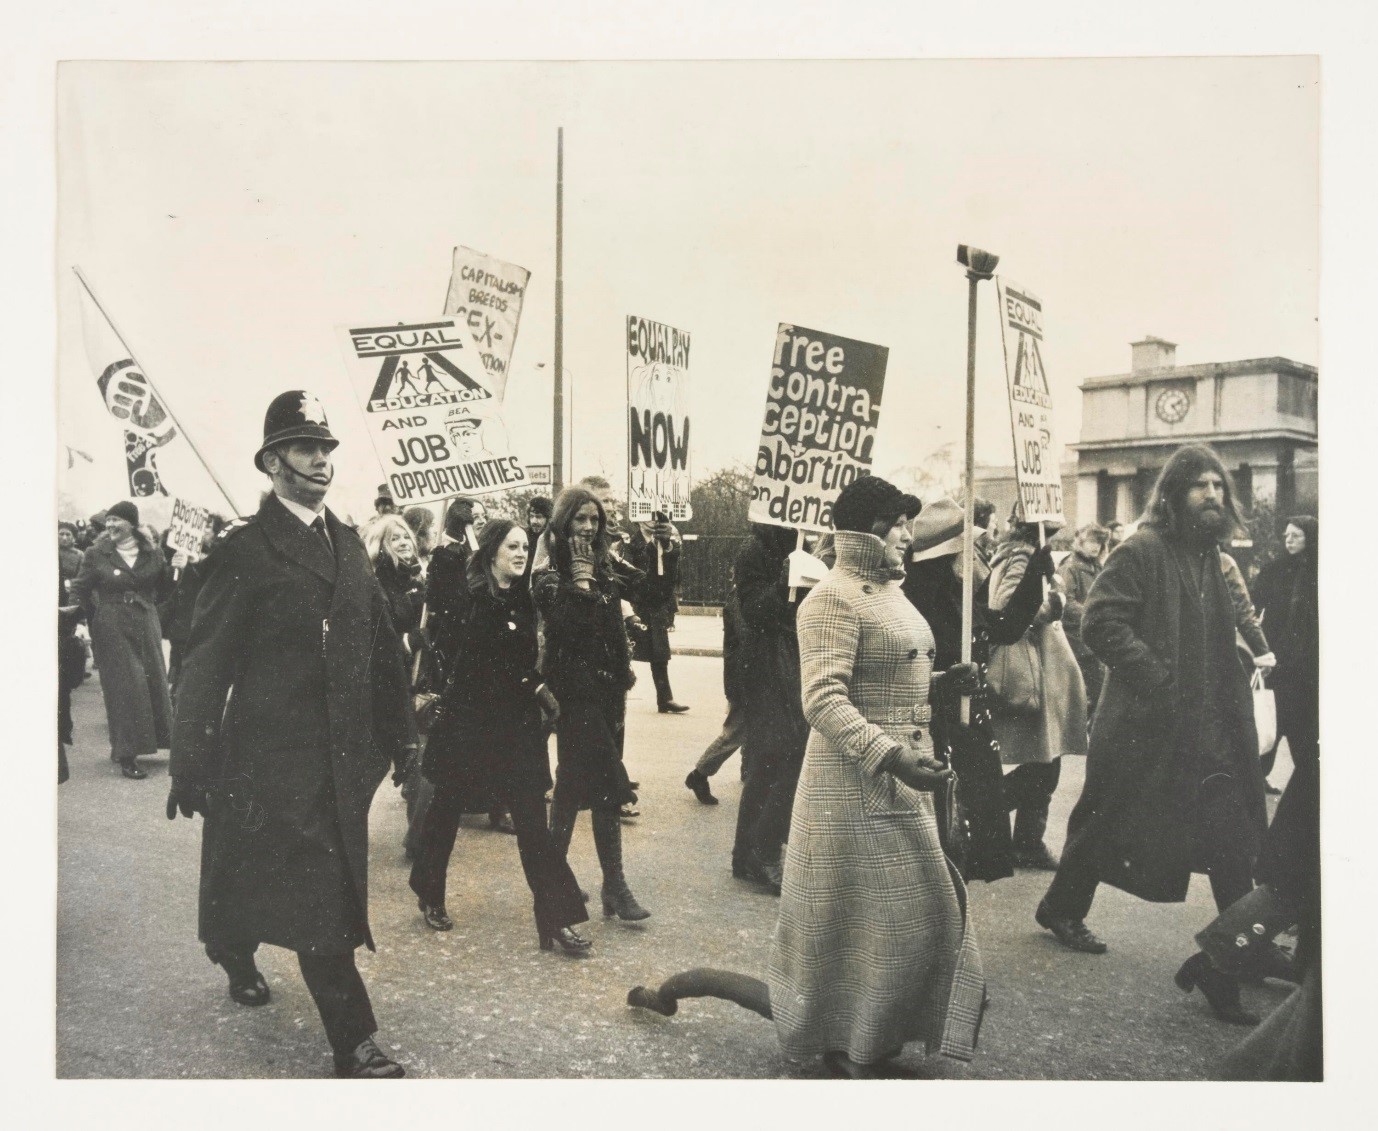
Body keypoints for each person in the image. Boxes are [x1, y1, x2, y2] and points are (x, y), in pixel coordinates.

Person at [628, 475, 986, 1078]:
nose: (907, 535)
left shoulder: (893, 593)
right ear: (869, 529)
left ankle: (871, 1030)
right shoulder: (831, 599)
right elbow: (823, 700)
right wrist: (894, 756)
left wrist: (946, 684)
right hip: (853, 787)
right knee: (880, 919)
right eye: (899, 524)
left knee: (916, 914)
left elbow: (891, 677)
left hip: (900, 779)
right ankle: (846, 1038)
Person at [166, 390, 416, 1079]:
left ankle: (232, 941)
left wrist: (406, 740)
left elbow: (385, 649)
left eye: (327, 447)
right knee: (310, 888)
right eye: (306, 447)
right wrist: (188, 760)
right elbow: (205, 659)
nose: (321, 459)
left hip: (342, 757)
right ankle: (350, 1036)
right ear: (273, 460)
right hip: (267, 757)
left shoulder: (349, 544)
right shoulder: (245, 549)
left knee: (271, 874)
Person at [1035, 445, 1268, 966]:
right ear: (1174, 493)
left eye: (1217, 486)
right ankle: (1061, 907)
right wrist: (1161, 682)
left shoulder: (1209, 555)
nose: (1211, 494)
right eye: (1199, 485)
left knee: (1230, 824)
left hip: (1207, 723)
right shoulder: (1143, 550)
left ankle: (1244, 941)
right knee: (1104, 817)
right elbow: (1101, 623)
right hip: (1146, 721)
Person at [409, 520, 591, 953]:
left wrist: (535, 685)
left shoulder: (523, 601)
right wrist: (535, 685)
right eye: (512, 546)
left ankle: (556, 919)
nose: (521, 553)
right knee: (444, 814)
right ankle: (429, 891)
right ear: (491, 552)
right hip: (469, 728)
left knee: (533, 825)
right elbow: (477, 665)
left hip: (515, 731)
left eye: (525, 546)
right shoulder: (469, 600)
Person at [902, 497, 1052, 882]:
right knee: (943, 840)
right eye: (967, 547)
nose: (976, 553)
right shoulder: (914, 599)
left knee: (967, 837)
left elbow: (1003, 627)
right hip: (936, 727)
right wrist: (946, 681)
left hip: (968, 725)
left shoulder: (960, 592)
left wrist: (1035, 576)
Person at [533, 486, 650, 922]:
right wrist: (579, 580)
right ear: (563, 522)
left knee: (574, 787)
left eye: (594, 520)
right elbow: (566, 630)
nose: (587, 528)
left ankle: (593, 885)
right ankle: (605, 885)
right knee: (606, 779)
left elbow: (639, 592)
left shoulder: (602, 565)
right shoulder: (547, 570)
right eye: (579, 520)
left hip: (607, 692)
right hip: (573, 692)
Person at [987, 513, 1088, 871]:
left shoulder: (1023, 553)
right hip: (1036, 666)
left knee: (1046, 762)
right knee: (1042, 767)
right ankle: (985, 820)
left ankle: (1027, 840)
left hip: (1043, 666)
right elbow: (1006, 608)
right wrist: (1054, 603)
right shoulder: (1022, 556)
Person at [729, 523, 809, 893]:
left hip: (784, 663)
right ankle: (761, 849)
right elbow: (753, 612)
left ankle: (747, 854)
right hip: (765, 666)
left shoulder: (797, 543)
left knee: (769, 761)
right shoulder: (756, 549)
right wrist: (783, 584)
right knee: (784, 756)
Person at [70, 499, 174, 780]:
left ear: (132, 524)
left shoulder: (153, 553)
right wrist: (74, 617)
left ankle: (161, 741)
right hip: (112, 624)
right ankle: (126, 753)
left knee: (153, 681)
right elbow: (79, 588)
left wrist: (177, 568)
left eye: (117, 520)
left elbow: (165, 591)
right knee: (126, 686)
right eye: (110, 520)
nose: (111, 525)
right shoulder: (96, 553)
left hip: (145, 621)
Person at [1251, 516, 1318, 787]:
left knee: (1304, 730)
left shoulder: (1321, 570)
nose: (1288, 540)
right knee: (1272, 721)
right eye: (1286, 535)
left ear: (1310, 538)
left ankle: (1310, 784)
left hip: (1309, 664)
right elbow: (1254, 608)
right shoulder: (1274, 570)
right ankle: (1255, 779)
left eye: (1296, 536)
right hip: (1278, 659)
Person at [684, 586, 747, 805]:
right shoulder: (741, 594)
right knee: (738, 728)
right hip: (745, 673)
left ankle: (749, 770)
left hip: (746, 671)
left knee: (747, 726)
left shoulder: (744, 591)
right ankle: (700, 773)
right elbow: (746, 634)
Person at [626, 511, 689, 713]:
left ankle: (665, 698)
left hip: (655, 606)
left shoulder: (665, 542)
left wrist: (670, 607)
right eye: (647, 515)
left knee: (660, 655)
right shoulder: (629, 543)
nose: (651, 520)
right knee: (624, 651)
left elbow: (671, 577)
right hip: (635, 605)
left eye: (655, 517)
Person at [1058, 523, 1108, 717]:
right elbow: (1066, 601)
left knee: (1096, 691)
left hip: (1094, 634)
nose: (1096, 546)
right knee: (1088, 691)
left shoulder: (1096, 566)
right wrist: (1093, 613)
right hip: (1077, 637)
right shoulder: (1070, 566)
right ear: (1081, 541)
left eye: (1100, 542)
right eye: (1092, 541)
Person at [523, 495, 552, 582]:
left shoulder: (552, 539)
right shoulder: (524, 536)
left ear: (548, 518)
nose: (534, 521)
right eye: (531, 516)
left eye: (539, 517)